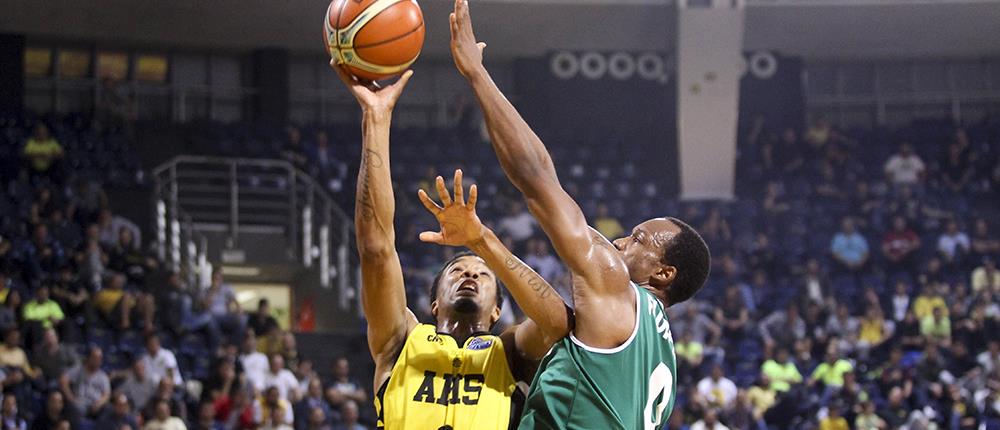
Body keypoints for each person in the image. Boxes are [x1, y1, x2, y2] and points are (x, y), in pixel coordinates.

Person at [449, 1, 711, 427]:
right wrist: (482, 241)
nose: (622, 242)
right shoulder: (659, 357)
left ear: (664, 273)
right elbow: (555, 320)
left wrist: (477, 75)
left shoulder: (614, 288)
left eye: (639, 239)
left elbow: (537, 179)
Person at [334, 57, 571, 430]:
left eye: (481, 274)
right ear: (433, 304)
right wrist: (375, 119)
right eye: (456, 270)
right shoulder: (401, 339)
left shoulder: (510, 350)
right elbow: (376, 250)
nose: (469, 274)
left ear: (497, 312)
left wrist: (482, 241)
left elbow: (558, 323)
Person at [60, 346, 111, 418]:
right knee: (77, 409)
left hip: (96, 404)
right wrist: (70, 397)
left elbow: (107, 395)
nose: (97, 360)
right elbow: (63, 380)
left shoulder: (103, 376)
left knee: (109, 410)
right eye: (95, 357)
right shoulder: (79, 370)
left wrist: (99, 404)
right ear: (89, 358)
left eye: (99, 358)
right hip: (81, 403)